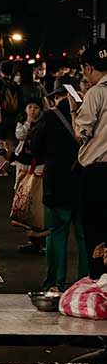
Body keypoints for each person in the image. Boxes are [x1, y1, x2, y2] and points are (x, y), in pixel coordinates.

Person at [29, 88, 89, 291]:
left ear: (58, 97)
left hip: (57, 185)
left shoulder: (50, 116)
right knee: (84, 237)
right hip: (85, 183)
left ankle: (55, 282)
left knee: (56, 234)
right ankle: (85, 283)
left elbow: (35, 149)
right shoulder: (90, 113)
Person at [72, 43, 107, 278]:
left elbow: (80, 134)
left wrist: (75, 110)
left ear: (88, 67)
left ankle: (99, 285)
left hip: (98, 175)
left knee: (95, 233)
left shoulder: (97, 92)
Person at [13, 101, 46, 254]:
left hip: (38, 165)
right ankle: (32, 241)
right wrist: (27, 123)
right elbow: (19, 135)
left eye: (36, 107)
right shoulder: (22, 122)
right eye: (30, 107)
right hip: (23, 165)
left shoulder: (44, 123)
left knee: (36, 202)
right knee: (23, 200)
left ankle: (40, 241)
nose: (33, 110)